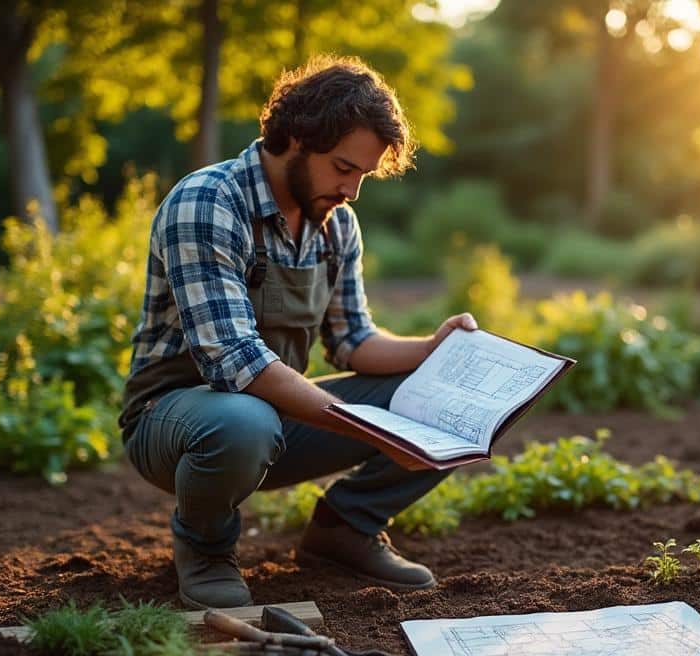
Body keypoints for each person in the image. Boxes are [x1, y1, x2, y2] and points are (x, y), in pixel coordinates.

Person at [118, 56, 476, 609]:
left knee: (454, 394)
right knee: (242, 417)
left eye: (362, 174)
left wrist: (436, 350)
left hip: (281, 418)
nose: (353, 190)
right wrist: (380, 435)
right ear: (295, 139)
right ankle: (207, 550)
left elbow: (353, 341)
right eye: (342, 168)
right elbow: (236, 364)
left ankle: (344, 528)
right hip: (179, 422)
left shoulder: (336, 224)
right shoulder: (209, 202)